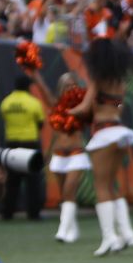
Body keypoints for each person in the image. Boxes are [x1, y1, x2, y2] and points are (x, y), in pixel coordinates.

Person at [70, 38, 133, 256]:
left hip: (104, 133)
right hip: (121, 133)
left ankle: (109, 237)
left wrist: (64, 112)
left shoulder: (97, 79)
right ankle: (124, 234)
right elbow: (117, 109)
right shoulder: (121, 83)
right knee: (111, 184)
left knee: (100, 186)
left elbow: (84, 108)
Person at [37, 72, 91, 243]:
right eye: (67, 85)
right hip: (59, 155)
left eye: (73, 85)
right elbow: (44, 90)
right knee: (66, 196)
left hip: (77, 154)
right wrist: (35, 74)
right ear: (61, 88)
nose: (70, 88)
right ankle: (73, 230)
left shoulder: (82, 106)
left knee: (69, 190)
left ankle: (62, 230)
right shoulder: (55, 105)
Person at [0, 74, 47, 221]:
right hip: (30, 143)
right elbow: (40, 123)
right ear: (28, 87)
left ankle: (8, 213)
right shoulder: (33, 102)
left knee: (12, 180)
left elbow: (5, 119)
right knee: (33, 180)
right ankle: (34, 214)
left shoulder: (6, 102)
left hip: (11, 144)